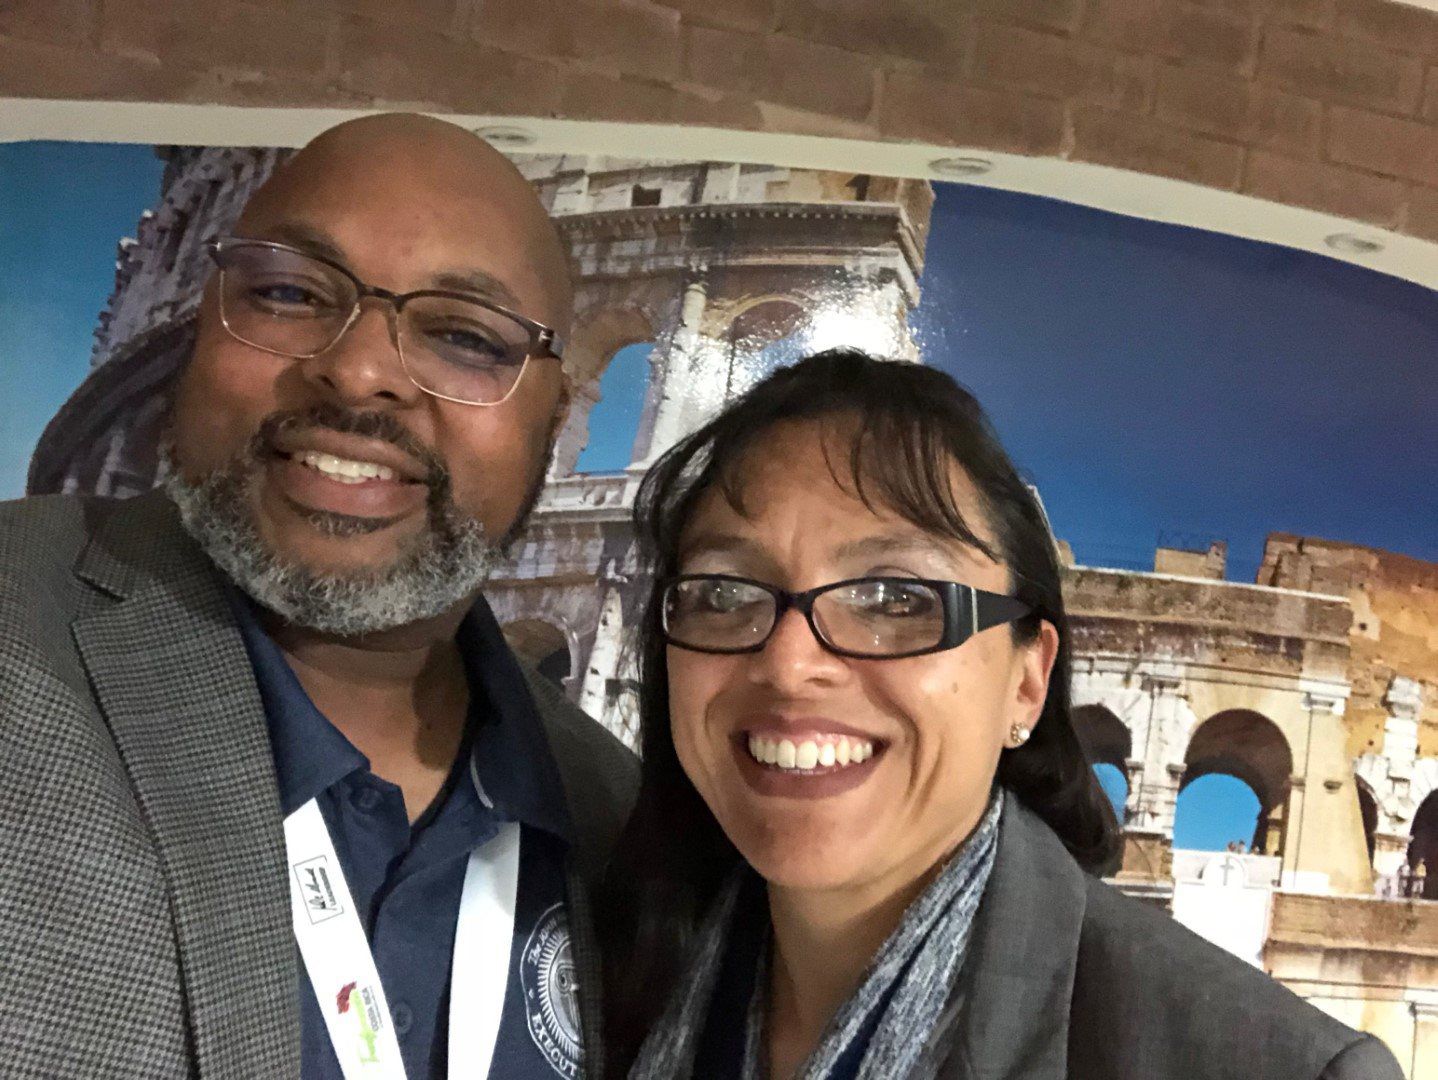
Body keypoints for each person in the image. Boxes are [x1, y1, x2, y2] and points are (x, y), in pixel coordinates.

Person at [0, 114, 636, 1078]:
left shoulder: (614, 822)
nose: (359, 369)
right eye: (291, 293)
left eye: (464, 337)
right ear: (201, 320)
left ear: (560, 415)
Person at [597, 350, 1403, 1079]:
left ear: (1027, 681)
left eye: (896, 597)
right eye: (724, 593)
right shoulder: (596, 968)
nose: (789, 663)